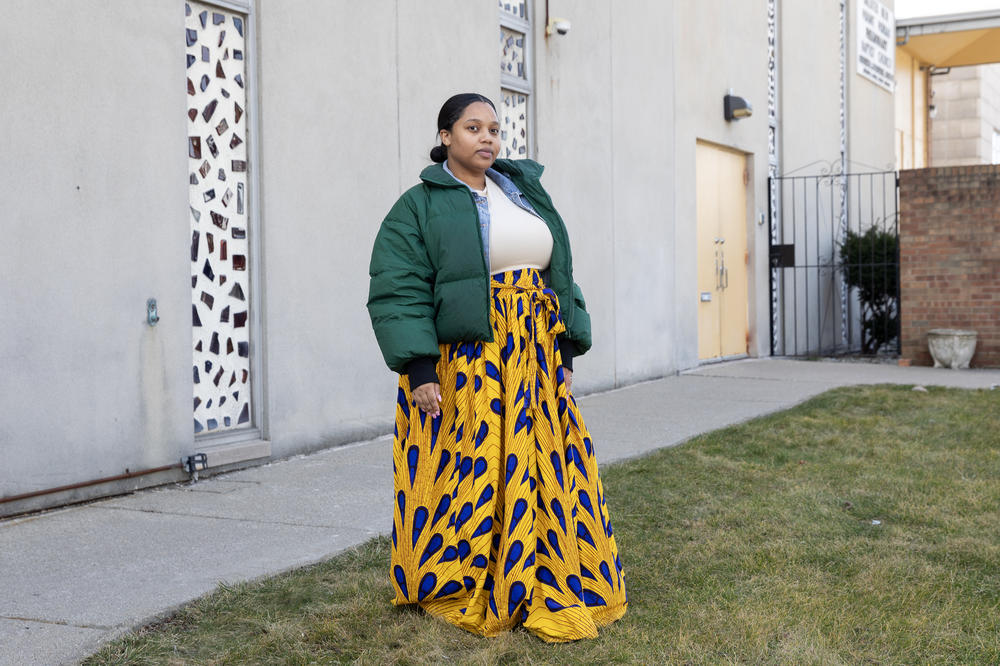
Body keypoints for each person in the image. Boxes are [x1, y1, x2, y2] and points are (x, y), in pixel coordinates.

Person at [367, 93, 626, 642]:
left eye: (494, 129)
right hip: (469, 358)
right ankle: (464, 579)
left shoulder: (523, 192)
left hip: (534, 354)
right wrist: (418, 369)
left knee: (547, 465)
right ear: (445, 137)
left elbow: (561, 272)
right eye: (472, 128)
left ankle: (545, 573)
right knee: (475, 468)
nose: (486, 138)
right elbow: (399, 287)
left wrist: (566, 348)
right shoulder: (419, 205)